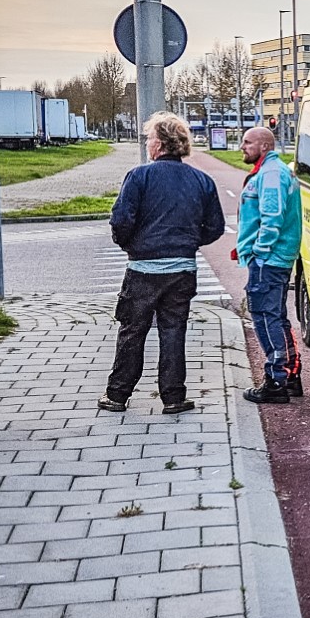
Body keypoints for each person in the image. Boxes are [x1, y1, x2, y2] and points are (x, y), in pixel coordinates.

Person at [101, 112, 225, 414]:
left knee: (132, 330)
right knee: (173, 332)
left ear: (160, 143)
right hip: (182, 271)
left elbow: (121, 220)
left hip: (143, 270)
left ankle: (117, 395)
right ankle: (173, 397)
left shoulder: (139, 176)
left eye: (149, 139)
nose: (147, 144)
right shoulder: (202, 181)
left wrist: (130, 245)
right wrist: (189, 243)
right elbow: (216, 227)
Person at [234, 126, 302, 403]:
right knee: (276, 316)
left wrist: (259, 252)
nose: (242, 146)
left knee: (264, 315)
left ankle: (276, 380)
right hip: (275, 258)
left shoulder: (271, 174)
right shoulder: (273, 170)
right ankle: (290, 374)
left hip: (269, 260)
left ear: (264, 146)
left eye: (247, 142)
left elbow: (272, 217)